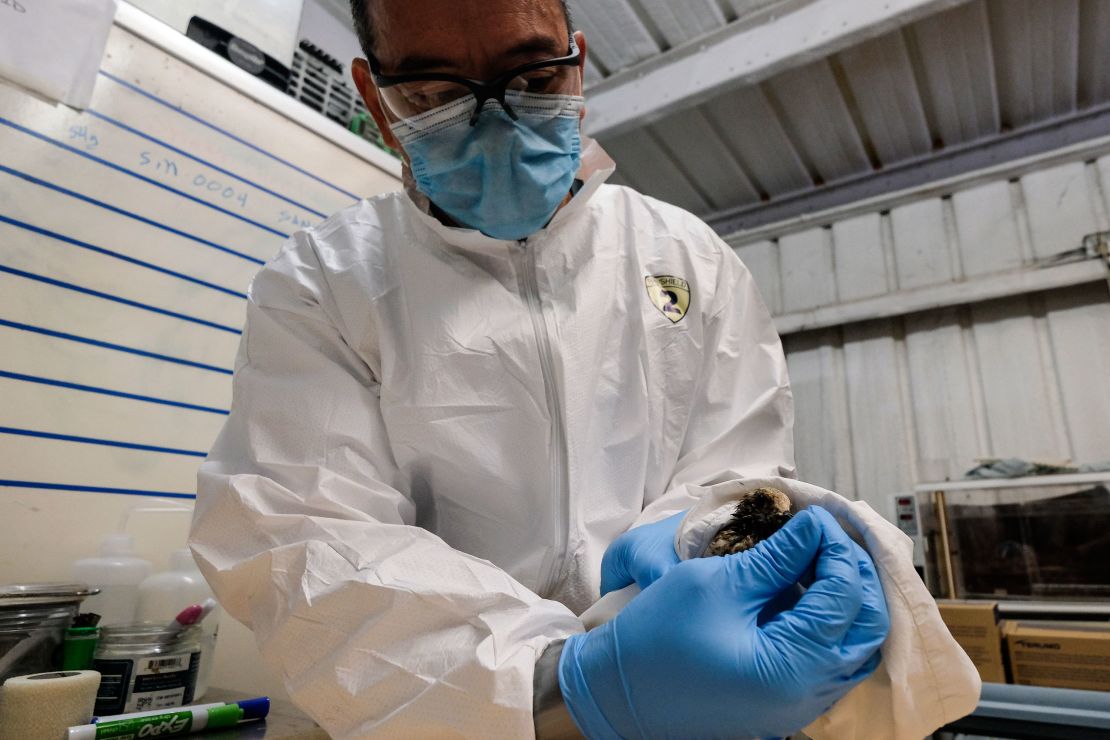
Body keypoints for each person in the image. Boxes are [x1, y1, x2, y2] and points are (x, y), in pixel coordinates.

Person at [189, 0, 890, 737]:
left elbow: (736, 483)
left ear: (576, 65)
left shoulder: (687, 258)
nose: (493, 124)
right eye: (435, 95)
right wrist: (564, 683)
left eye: (530, 78)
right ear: (376, 97)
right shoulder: (324, 281)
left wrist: (704, 548)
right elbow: (308, 543)